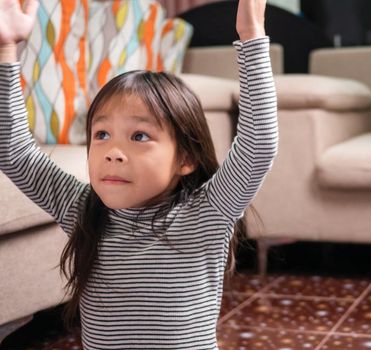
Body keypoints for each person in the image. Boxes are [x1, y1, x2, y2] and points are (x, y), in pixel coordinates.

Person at [0, 0, 277, 348]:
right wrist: (6, 48)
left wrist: (251, 33)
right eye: (102, 135)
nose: (113, 153)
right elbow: (13, 149)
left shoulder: (206, 214)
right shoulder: (82, 207)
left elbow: (259, 144)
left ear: (186, 159)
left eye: (139, 136)